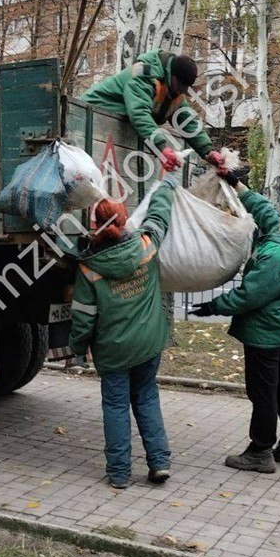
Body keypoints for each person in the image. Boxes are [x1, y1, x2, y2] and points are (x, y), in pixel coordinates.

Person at [190, 174, 280, 474]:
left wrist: (212, 307)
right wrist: (236, 184)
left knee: (263, 392)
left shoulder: (277, 254)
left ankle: (261, 451)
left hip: (267, 331)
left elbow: (249, 295)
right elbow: (263, 209)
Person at [69, 183, 175, 489]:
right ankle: (159, 462)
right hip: (148, 344)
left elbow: (83, 318)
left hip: (114, 352)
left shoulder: (89, 268)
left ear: (94, 226)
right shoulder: (146, 246)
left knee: (116, 407)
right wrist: (166, 184)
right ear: (125, 220)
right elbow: (159, 216)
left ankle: (119, 473)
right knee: (146, 398)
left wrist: (77, 350)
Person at [81, 50, 224, 173]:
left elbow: (188, 122)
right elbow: (139, 113)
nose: (182, 91)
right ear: (172, 76)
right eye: (180, 86)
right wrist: (162, 147)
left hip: (109, 128)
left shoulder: (175, 92)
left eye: (185, 89)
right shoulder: (144, 75)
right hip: (88, 115)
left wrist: (208, 151)